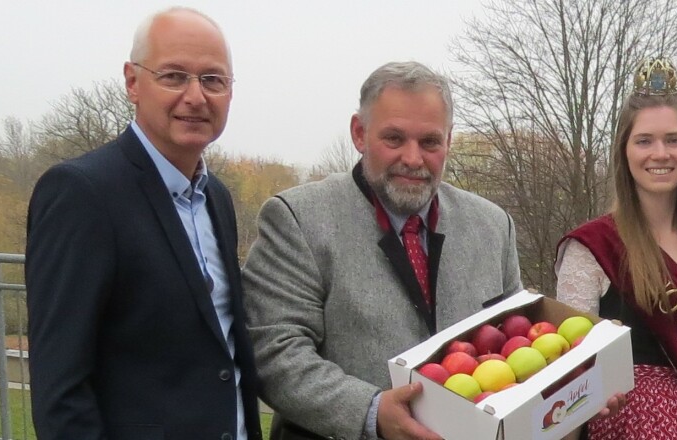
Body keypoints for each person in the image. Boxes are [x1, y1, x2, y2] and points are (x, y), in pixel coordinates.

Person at [243, 61, 622, 440]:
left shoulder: (492, 226)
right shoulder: (297, 219)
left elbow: (515, 345)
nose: (413, 158)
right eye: (394, 139)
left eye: (429, 142)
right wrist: (372, 413)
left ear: (449, 140)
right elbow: (275, 353)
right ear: (359, 133)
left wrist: (579, 384)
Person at [25, 7, 261, 439]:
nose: (196, 96)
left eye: (213, 79)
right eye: (173, 76)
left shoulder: (217, 199)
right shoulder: (82, 194)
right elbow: (60, 390)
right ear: (133, 82)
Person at [556, 58, 677, 440]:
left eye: (673, 139)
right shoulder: (590, 248)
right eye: (644, 141)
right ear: (624, 151)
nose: (661, 153)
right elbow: (568, 376)